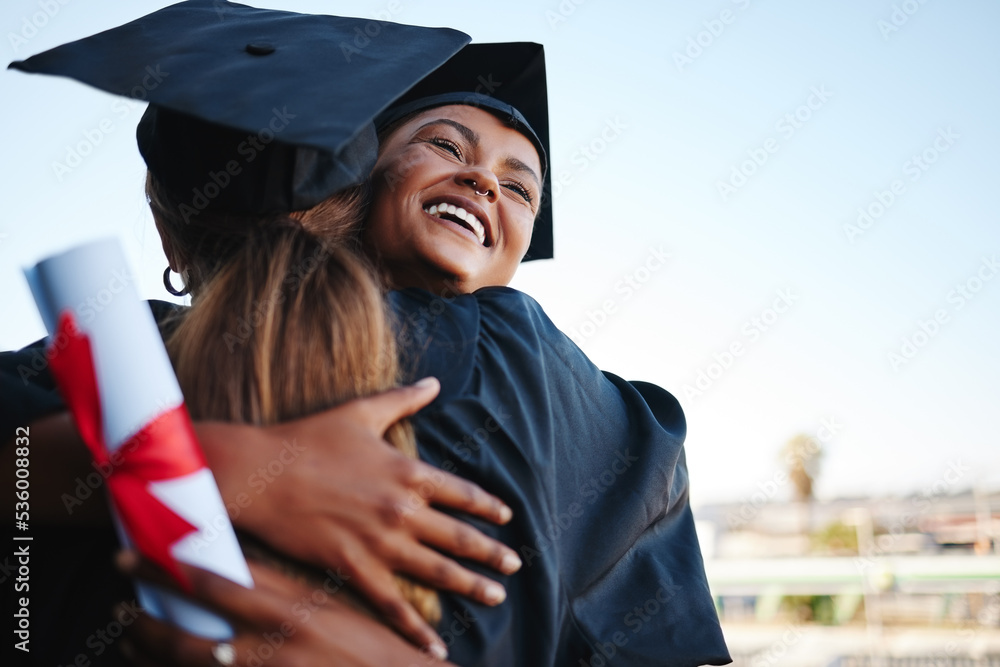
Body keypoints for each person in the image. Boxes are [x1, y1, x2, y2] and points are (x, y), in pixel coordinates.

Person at [4, 2, 730, 665]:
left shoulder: (573, 402)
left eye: (519, 188)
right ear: (354, 181)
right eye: (447, 144)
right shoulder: (113, 356)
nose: (484, 181)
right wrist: (207, 467)